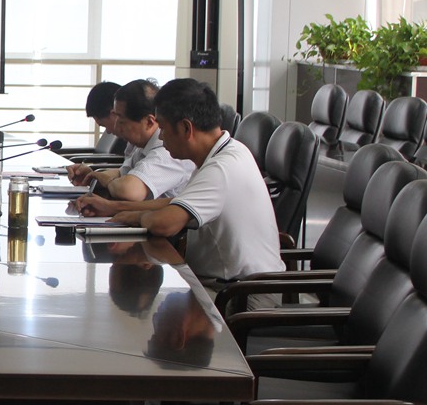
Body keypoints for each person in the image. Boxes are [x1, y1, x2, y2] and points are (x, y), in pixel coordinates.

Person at [78, 78, 284, 307]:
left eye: (164, 128)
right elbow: (175, 203)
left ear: (186, 128)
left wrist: (134, 215)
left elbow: (163, 223)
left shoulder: (221, 168)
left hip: (243, 295)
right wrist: (114, 207)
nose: (161, 137)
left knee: (156, 311)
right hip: (226, 284)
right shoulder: (224, 152)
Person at [68, 79, 194, 201]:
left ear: (149, 122)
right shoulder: (141, 145)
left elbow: (128, 191)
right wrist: (91, 176)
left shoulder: (167, 151)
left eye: (122, 121)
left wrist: (107, 181)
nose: (116, 127)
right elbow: (123, 173)